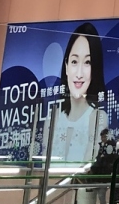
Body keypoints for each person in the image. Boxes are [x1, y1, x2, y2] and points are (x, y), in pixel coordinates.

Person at [45, 22, 109, 165]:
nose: (79, 74)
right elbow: (43, 166)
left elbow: (87, 169)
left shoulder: (98, 118)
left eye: (87, 62)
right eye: (74, 61)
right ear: (66, 66)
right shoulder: (52, 118)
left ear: (95, 69)